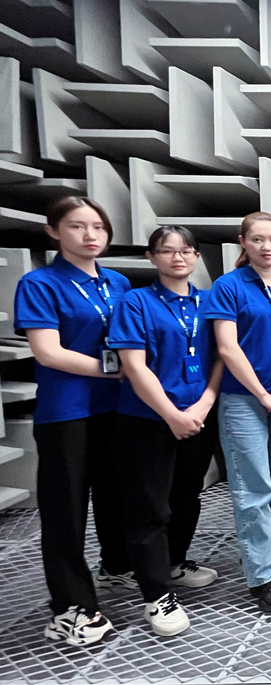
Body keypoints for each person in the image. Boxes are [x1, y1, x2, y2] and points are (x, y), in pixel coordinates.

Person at [14, 196, 132, 646]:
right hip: (67, 413)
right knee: (66, 513)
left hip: (116, 408)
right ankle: (70, 609)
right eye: (77, 226)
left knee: (115, 499)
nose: (90, 235)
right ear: (53, 231)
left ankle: (116, 567)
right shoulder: (39, 283)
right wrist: (117, 370)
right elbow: (48, 352)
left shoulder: (117, 282)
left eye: (98, 227)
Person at [107, 226, 224, 636]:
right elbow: (133, 366)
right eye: (167, 250)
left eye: (186, 250)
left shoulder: (208, 303)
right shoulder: (135, 301)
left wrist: (204, 404)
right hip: (147, 420)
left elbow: (221, 357)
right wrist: (171, 414)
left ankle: (174, 562)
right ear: (151, 256)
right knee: (149, 508)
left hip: (199, 416)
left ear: (196, 256)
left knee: (186, 496)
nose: (178, 257)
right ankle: (156, 595)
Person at [203, 211, 271, 613]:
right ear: (243, 242)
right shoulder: (228, 286)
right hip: (244, 400)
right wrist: (263, 395)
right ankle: (263, 576)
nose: (267, 247)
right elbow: (227, 348)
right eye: (258, 239)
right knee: (253, 487)